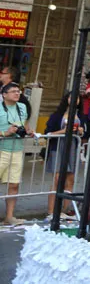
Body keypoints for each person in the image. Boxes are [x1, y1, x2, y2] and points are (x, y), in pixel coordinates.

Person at [44, 93, 85, 218]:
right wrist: (63, 131)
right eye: (71, 97)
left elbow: (87, 133)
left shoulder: (81, 116)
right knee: (57, 179)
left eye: (77, 98)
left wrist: (81, 131)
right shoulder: (57, 115)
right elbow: (47, 133)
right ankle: (51, 211)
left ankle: (65, 210)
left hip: (73, 148)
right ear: (66, 99)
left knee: (70, 180)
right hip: (58, 147)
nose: (74, 100)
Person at [0, 82, 33, 225]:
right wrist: (5, 133)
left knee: (14, 184)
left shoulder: (22, 107)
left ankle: (9, 217)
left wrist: (29, 131)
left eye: (18, 91)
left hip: (17, 149)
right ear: (4, 94)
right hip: (2, 149)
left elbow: (24, 125)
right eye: (13, 91)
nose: (17, 93)